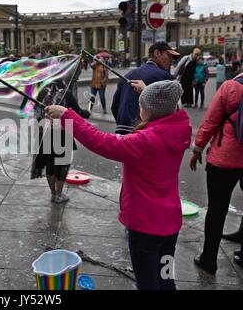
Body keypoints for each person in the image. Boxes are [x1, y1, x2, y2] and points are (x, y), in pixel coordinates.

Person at [46, 81, 191, 290]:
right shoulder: (179, 129)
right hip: (170, 222)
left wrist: (67, 115)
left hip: (145, 225)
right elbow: (168, 104)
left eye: (141, 105)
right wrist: (147, 91)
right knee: (165, 276)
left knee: (148, 283)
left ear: (148, 110)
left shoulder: (145, 141)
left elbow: (100, 141)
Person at [190, 70, 243, 274]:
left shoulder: (230, 87)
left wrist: (197, 149)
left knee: (217, 209)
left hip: (225, 157)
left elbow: (211, 121)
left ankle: (209, 259)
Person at [31, 80, 90, 204]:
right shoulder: (66, 94)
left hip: (45, 131)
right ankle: (59, 194)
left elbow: (36, 112)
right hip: (63, 132)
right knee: (62, 165)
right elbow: (77, 112)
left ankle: (53, 194)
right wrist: (87, 113)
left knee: (50, 165)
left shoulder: (42, 92)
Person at [111, 41, 180, 135]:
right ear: (157, 53)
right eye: (169, 56)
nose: (171, 60)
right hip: (148, 135)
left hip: (122, 132)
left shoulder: (127, 76)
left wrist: (121, 124)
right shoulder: (166, 78)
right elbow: (173, 110)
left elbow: (115, 106)